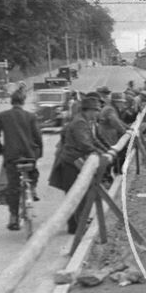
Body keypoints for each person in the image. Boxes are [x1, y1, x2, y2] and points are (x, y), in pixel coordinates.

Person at [49, 95, 104, 234]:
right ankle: (76, 226)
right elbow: (85, 144)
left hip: (75, 161)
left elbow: (93, 140)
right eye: (96, 110)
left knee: (80, 192)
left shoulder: (84, 121)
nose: (97, 113)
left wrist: (106, 150)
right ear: (89, 110)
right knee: (75, 193)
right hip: (71, 162)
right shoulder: (80, 122)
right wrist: (100, 152)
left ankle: (79, 222)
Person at [0, 90, 42, 230]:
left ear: (11, 101)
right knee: (33, 173)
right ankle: (32, 189)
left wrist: (0, 149)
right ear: (23, 101)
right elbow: (38, 137)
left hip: (12, 157)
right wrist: (39, 153)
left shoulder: (3, 116)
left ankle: (14, 217)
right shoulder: (30, 116)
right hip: (29, 155)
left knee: (13, 187)